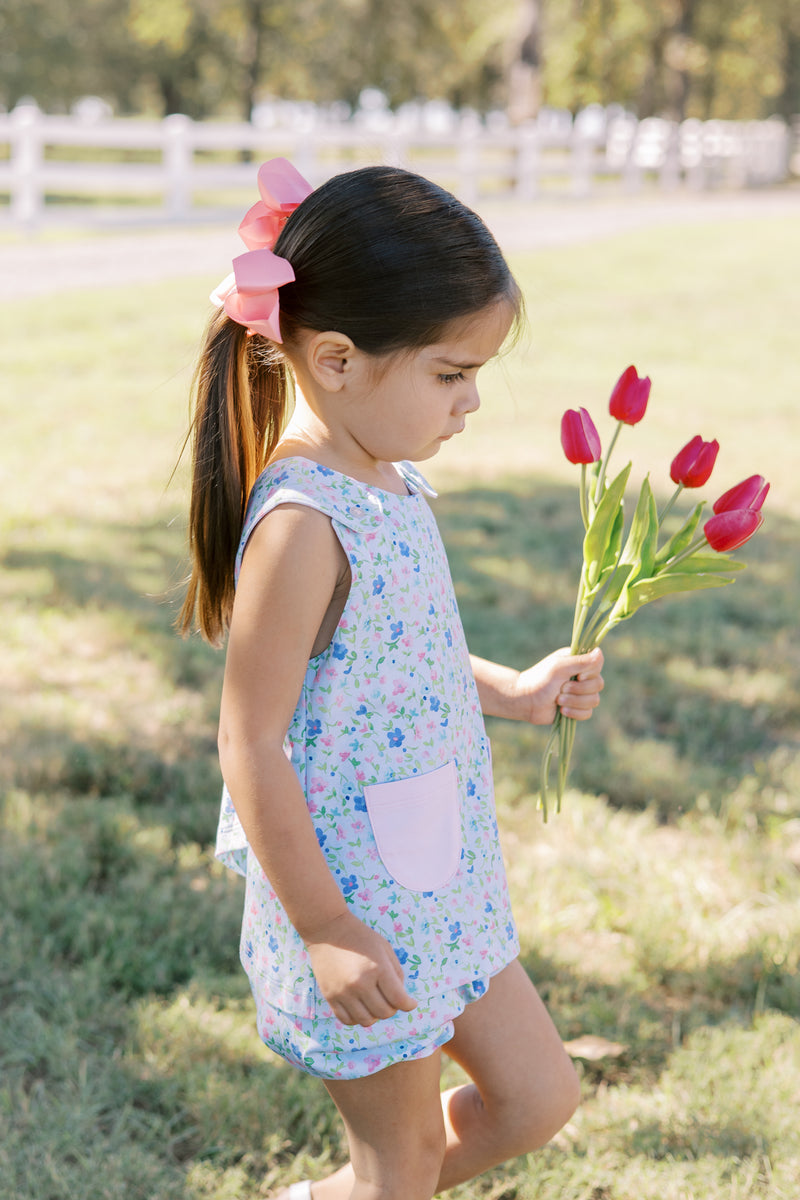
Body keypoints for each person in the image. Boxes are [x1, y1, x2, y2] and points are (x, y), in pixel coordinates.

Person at [179, 158, 604, 1200]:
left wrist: (511, 690)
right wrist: (325, 927)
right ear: (333, 358)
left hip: (438, 891)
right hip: (355, 902)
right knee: (400, 1167)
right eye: (450, 373)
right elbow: (249, 740)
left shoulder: (391, 482)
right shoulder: (301, 525)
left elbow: (394, 660)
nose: (470, 403)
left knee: (536, 1099)